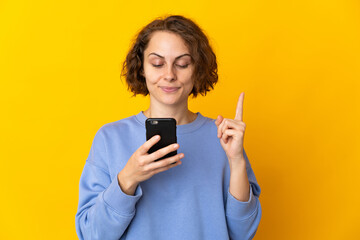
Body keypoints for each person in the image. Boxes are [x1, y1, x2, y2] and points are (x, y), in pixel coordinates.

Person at [75, 15, 262, 240]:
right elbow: (91, 235)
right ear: (142, 68)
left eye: (182, 64)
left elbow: (243, 233)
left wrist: (236, 161)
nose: (169, 75)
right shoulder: (110, 138)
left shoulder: (223, 138)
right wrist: (127, 179)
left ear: (197, 68)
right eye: (157, 63)